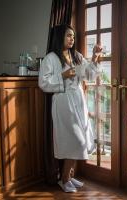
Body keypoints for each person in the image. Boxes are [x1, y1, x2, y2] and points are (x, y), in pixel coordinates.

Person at [38, 24, 102, 193]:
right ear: (60, 37)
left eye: (73, 36)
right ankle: (64, 179)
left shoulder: (77, 56)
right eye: (68, 36)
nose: (72, 39)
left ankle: (69, 176)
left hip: (78, 100)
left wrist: (95, 57)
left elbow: (89, 74)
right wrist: (62, 75)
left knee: (80, 140)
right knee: (74, 140)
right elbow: (43, 83)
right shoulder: (51, 58)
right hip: (63, 102)